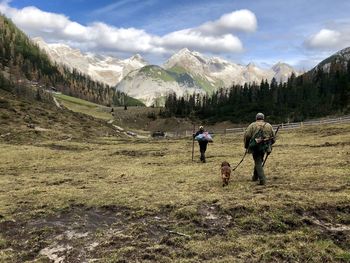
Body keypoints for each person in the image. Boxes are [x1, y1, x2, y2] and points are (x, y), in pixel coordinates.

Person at [244, 113, 275, 185]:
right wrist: (270, 145)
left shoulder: (252, 125)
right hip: (265, 147)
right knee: (259, 161)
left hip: (255, 146)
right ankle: (255, 177)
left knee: (258, 162)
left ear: (256, 118)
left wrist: (247, 146)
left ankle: (262, 180)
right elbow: (273, 137)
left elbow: (247, 136)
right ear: (263, 118)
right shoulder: (268, 125)